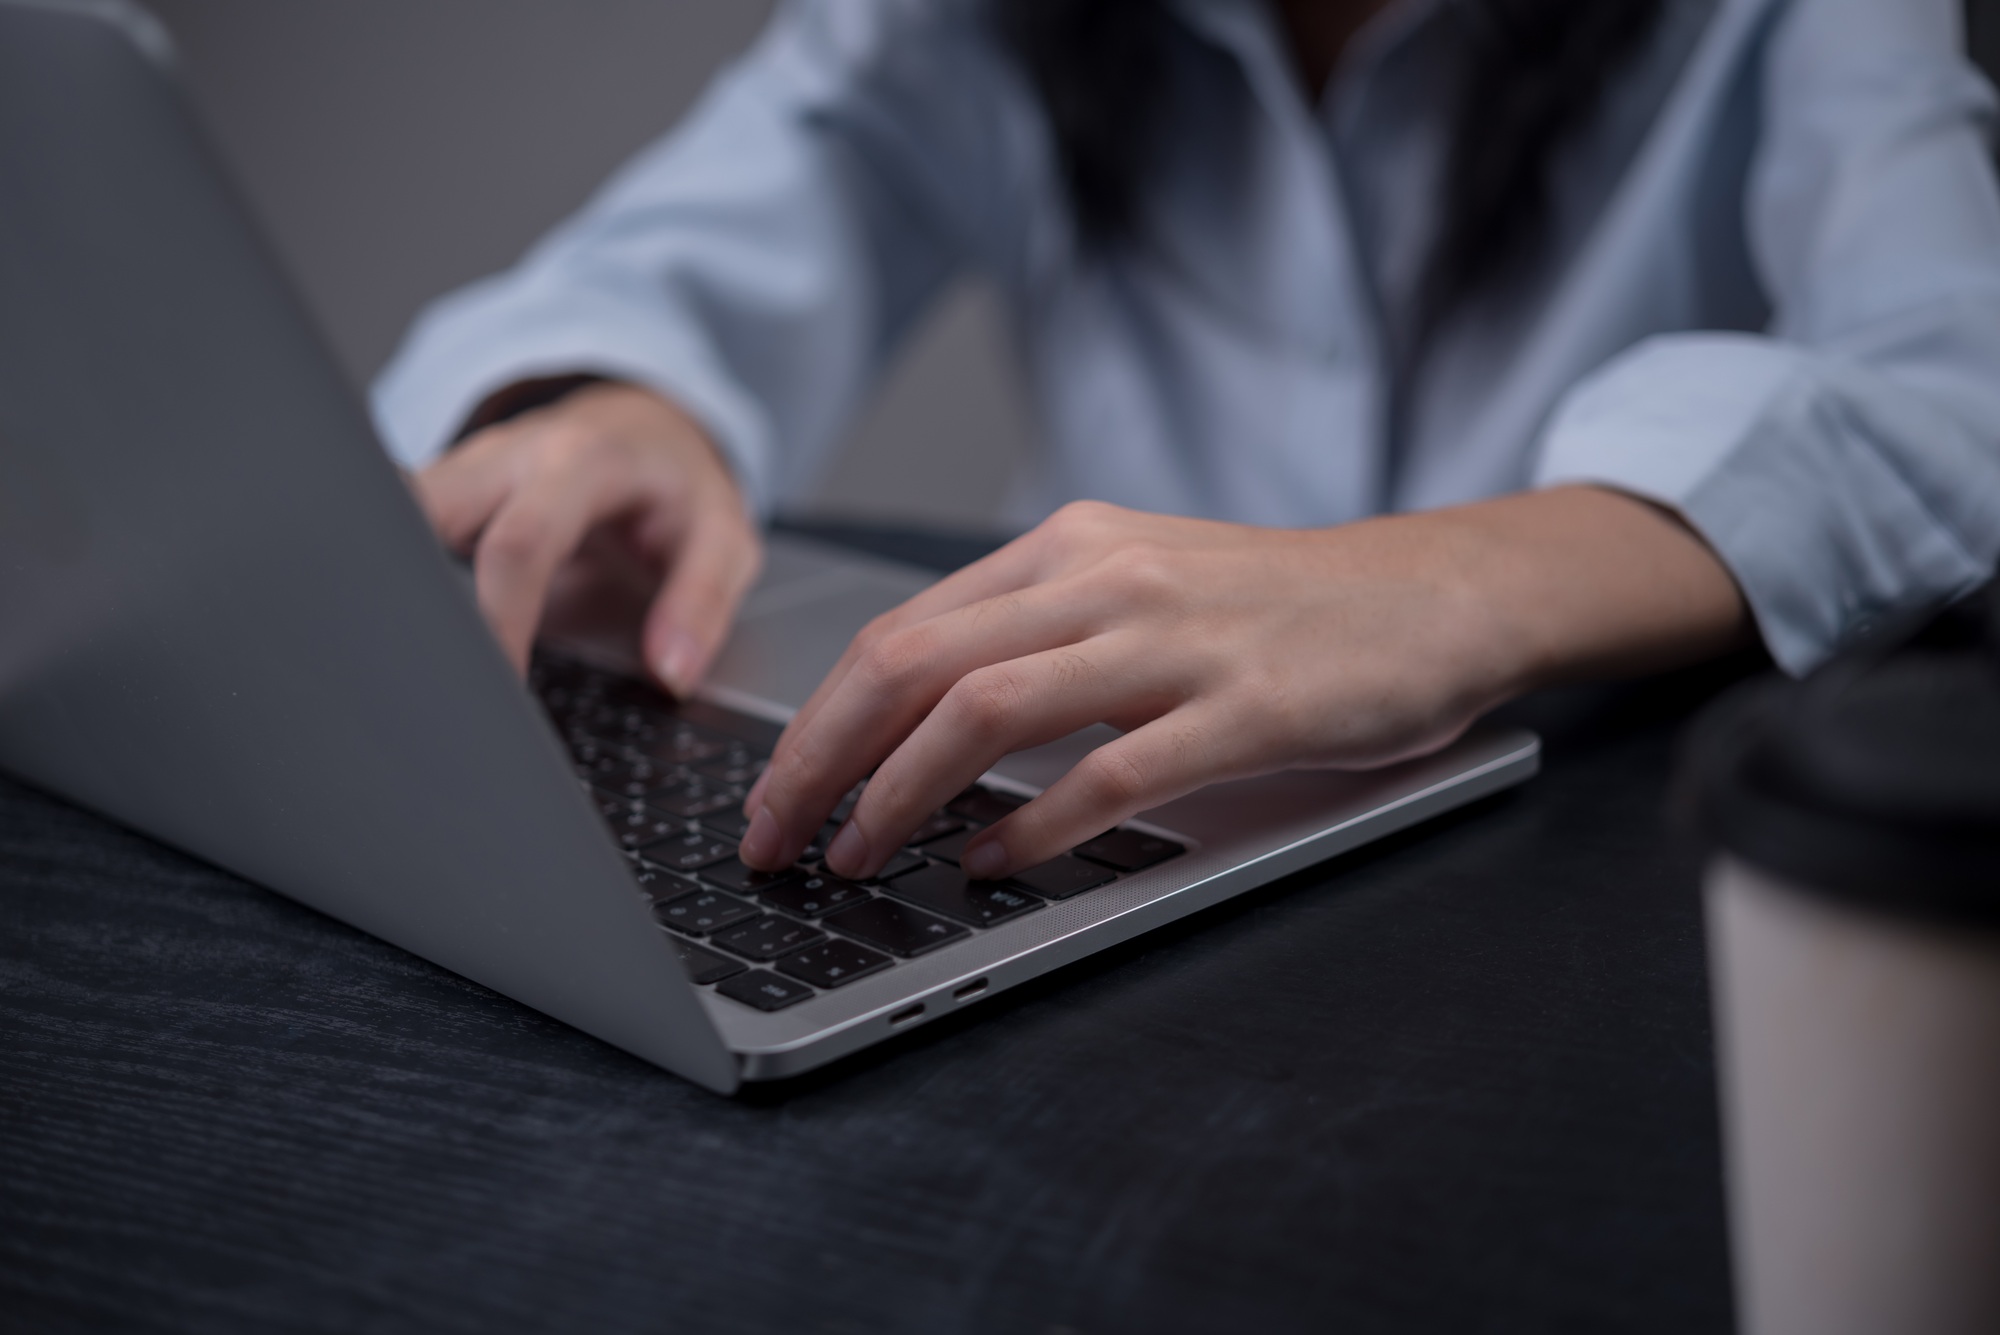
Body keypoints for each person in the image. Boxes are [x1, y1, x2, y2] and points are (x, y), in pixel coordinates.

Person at [374, 0, 2000, 884]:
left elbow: (1953, 375)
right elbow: (718, 223)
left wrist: (1441, 585)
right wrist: (622, 402)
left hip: (1601, 876)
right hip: (1070, 848)